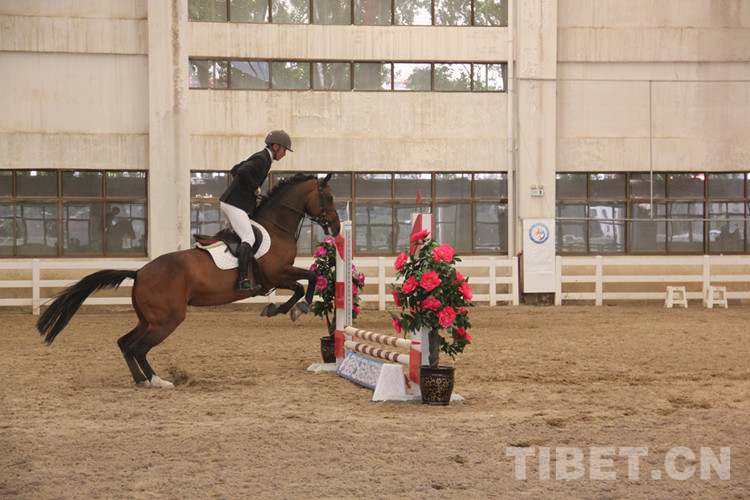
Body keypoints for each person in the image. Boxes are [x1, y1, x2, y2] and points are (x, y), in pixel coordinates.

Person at [220, 130, 293, 292]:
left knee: (236, 238)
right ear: (275, 146)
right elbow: (242, 172)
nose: (284, 154)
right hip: (234, 205)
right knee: (249, 237)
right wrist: (255, 188)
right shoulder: (262, 158)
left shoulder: (263, 158)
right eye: (284, 150)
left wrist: (243, 190)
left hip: (231, 203)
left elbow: (235, 169)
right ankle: (242, 280)